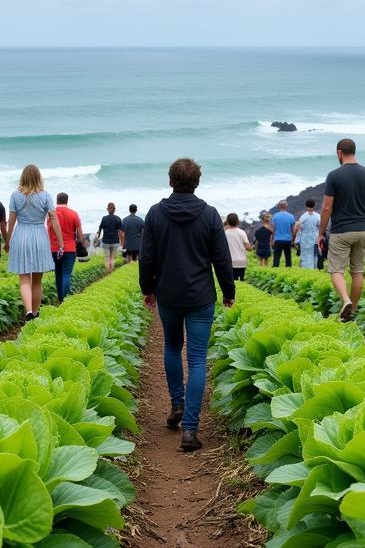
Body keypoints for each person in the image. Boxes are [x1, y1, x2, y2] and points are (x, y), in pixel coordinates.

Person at [140, 158, 236, 453]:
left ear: (171, 181)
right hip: (200, 296)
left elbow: (146, 257)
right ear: (197, 182)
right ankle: (190, 431)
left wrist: (148, 289)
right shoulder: (209, 215)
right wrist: (228, 290)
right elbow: (221, 258)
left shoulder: (156, 214)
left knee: (171, 347)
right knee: (196, 359)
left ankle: (177, 405)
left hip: (169, 294)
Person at [318, 138, 365, 322]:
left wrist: (321, 232)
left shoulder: (334, 176)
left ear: (339, 152)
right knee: (358, 271)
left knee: (336, 269)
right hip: (364, 230)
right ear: (354, 151)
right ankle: (351, 311)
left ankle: (345, 300)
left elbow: (327, 208)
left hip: (341, 231)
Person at [7, 164, 64, 321]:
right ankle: (36, 311)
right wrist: (60, 243)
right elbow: (53, 219)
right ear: (39, 177)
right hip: (39, 235)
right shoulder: (45, 196)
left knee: (24, 278)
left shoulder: (15, 195)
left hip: (21, 235)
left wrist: (7, 239)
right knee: (37, 280)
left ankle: (28, 310)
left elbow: (11, 221)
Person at [49, 192, 83, 303]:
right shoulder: (73, 214)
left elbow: (48, 231)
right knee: (66, 273)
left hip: (54, 248)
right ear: (67, 201)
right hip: (69, 249)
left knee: (58, 273)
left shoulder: (51, 214)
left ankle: (60, 298)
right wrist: (78, 242)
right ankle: (66, 299)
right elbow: (80, 235)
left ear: (57, 200)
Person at [95, 203, 124, 273]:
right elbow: (121, 232)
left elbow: (100, 229)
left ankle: (108, 271)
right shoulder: (118, 218)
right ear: (114, 210)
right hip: (115, 241)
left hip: (106, 241)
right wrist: (122, 243)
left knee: (107, 258)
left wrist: (96, 239)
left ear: (107, 209)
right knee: (113, 258)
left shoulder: (104, 218)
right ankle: (111, 272)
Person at [294, 199, 321, 269]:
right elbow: (320, 227)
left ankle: (307, 270)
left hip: (305, 240)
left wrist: (296, 240)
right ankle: (315, 269)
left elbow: (299, 229)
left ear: (306, 206)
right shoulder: (318, 216)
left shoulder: (303, 217)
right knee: (315, 256)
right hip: (316, 239)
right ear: (314, 205)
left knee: (306, 256)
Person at [224, 213, 252, 281]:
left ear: (227, 221)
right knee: (241, 281)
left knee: (232, 281)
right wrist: (251, 247)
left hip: (230, 262)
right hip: (241, 262)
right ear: (238, 221)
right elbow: (248, 247)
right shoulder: (241, 232)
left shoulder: (225, 233)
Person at [271, 201, 295, 267]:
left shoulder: (275, 216)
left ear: (279, 206)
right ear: (286, 206)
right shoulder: (291, 216)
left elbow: (273, 229)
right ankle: (289, 271)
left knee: (276, 258)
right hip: (288, 240)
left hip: (278, 240)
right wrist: (293, 240)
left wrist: (273, 239)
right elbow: (293, 230)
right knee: (288, 258)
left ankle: (275, 272)